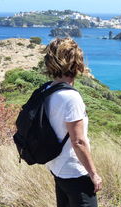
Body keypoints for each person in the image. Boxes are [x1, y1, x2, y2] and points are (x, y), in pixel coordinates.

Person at [44, 37, 102, 207]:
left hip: (57, 167)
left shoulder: (48, 90)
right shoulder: (71, 97)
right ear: (76, 63)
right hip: (74, 171)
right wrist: (93, 173)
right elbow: (78, 141)